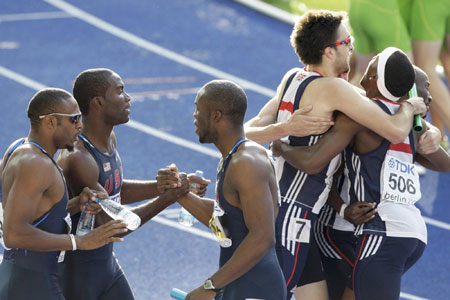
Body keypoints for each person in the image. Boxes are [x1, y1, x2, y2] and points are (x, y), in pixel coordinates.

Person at [244, 10, 426, 300]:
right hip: (293, 212)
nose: (353, 47)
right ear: (329, 51)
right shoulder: (335, 89)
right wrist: (409, 107)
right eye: (348, 41)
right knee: (267, 295)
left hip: (276, 203)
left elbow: (245, 132)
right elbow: (393, 130)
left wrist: (282, 129)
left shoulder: (292, 78)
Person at [271, 48, 450, 300]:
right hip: (407, 233)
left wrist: (279, 144)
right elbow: (444, 163)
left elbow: (313, 162)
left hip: (377, 232)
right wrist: (425, 128)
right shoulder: (407, 122)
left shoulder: (361, 119)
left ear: (372, 78)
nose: (429, 96)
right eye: (424, 89)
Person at [56, 69, 193, 300]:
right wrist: (167, 199)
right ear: (98, 102)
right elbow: (115, 224)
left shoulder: (108, 139)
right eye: (120, 92)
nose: (128, 98)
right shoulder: (78, 156)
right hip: (78, 275)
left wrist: (160, 186)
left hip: (106, 265)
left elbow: (114, 192)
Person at [159, 80, 286, 300]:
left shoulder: (246, 163)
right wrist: (180, 193)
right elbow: (227, 222)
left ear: (216, 115)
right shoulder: (233, 157)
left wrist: (209, 287)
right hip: (236, 283)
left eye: (198, 108)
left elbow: (263, 237)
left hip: (255, 287)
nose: (194, 116)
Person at [0, 88, 128, 300]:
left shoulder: (19, 149)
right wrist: (78, 242)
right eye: (74, 119)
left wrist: (76, 204)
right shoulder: (35, 163)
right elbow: (14, 234)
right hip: (30, 284)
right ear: (50, 122)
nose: (81, 125)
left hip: (25, 278)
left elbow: (34, 214)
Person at [410, 0, 450, 150]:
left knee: (425, 69)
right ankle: (441, 141)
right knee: (446, 60)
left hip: (431, 5)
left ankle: (441, 141)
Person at [348, 0, 413, 87]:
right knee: (406, 79)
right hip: (383, 12)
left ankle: (334, 99)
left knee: (363, 76)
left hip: (357, 6)